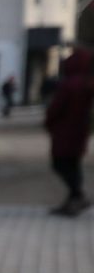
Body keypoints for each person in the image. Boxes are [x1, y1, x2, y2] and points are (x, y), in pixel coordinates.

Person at [44, 46, 93, 216]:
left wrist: (50, 122)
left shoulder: (71, 84)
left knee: (61, 163)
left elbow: (56, 108)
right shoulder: (87, 83)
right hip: (79, 131)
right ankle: (74, 199)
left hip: (66, 131)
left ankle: (78, 195)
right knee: (72, 164)